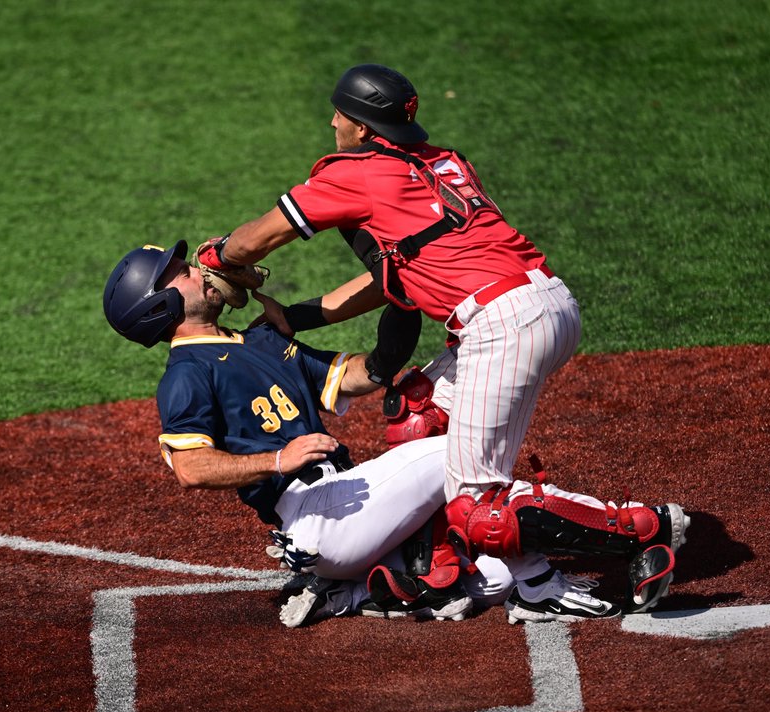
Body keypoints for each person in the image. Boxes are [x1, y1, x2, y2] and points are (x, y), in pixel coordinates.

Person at [194, 64, 690, 622]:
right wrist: (299, 316)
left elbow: (264, 235)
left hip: (503, 325)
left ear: (359, 127)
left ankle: (640, 530)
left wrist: (218, 257)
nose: (332, 122)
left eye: (338, 114)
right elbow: (395, 278)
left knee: (480, 509)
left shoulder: (354, 173)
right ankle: (445, 568)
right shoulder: (440, 163)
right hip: (541, 302)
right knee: (419, 414)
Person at [103, 239, 515, 627]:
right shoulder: (186, 375)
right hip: (315, 514)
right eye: (181, 272)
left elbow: (356, 375)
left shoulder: (262, 338)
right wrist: (279, 461)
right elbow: (190, 469)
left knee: (496, 577)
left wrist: (395, 326)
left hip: (356, 509)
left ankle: (352, 591)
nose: (198, 270)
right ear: (160, 305)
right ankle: (533, 584)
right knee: (463, 448)